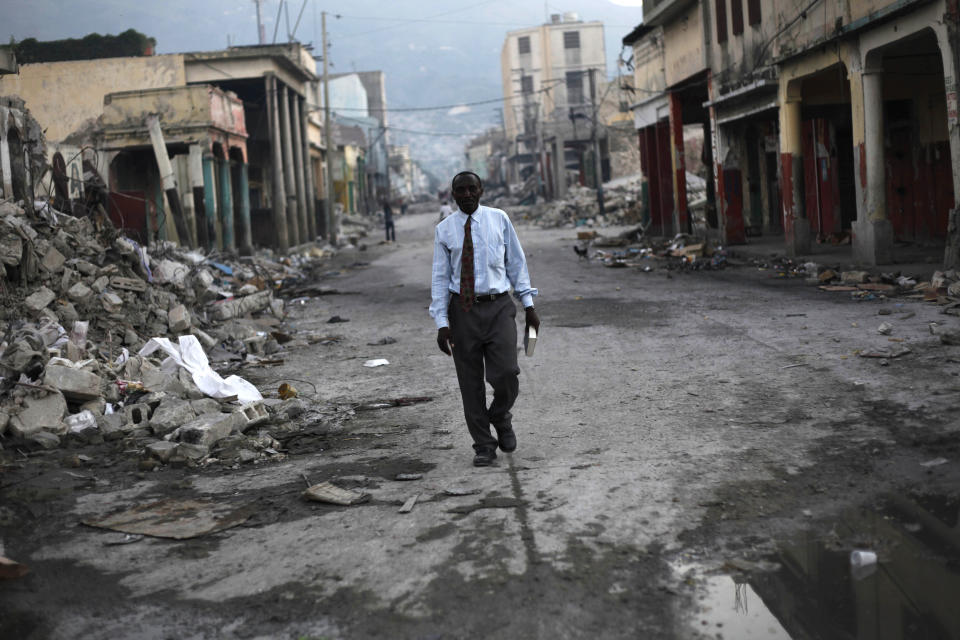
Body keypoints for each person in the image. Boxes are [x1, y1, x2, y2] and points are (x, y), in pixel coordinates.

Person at [430, 171, 540, 467]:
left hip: (499, 307)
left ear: (481, 190)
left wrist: (528, 305)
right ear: (452, 195)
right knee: (470, 384)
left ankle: (501, 415)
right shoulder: (445, 230)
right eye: (460, 190)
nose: (466, 194)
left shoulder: (499, 219)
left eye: (471, 189)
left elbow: (516, 263)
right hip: (462, 311)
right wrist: (442, 323)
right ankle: (483, 445)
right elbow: (440, 279)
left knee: (506, 373)